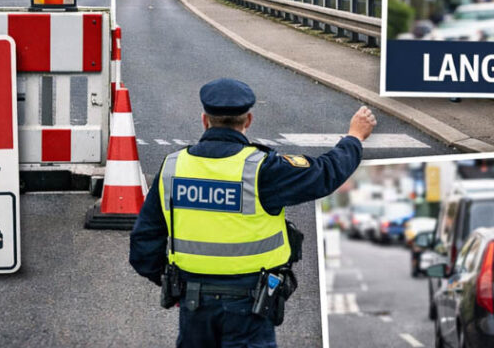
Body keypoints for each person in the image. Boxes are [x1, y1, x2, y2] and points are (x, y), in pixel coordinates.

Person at [129, 78, 377, 348]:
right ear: (248, 120)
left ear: (204, 120)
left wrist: (173, 284)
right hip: (250, 305)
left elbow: (144, 243)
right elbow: (325, 174)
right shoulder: (263, 170)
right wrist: (354, 137)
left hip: (194, 302)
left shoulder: (173, 167)